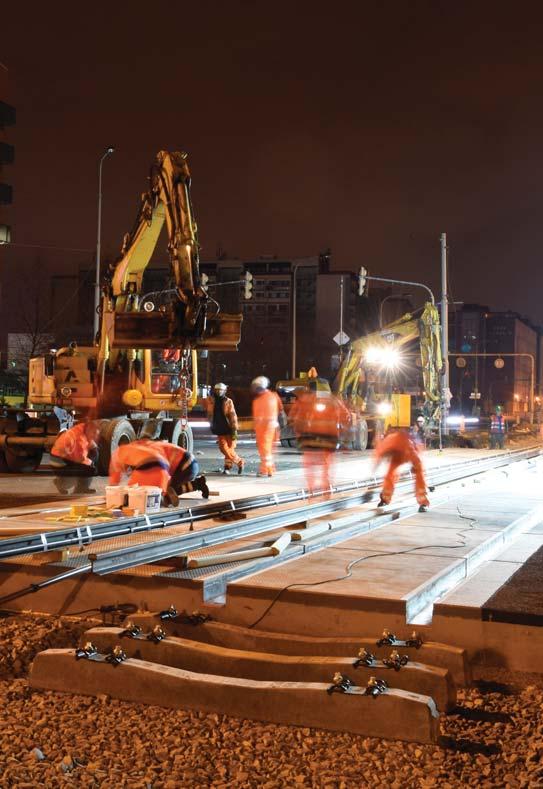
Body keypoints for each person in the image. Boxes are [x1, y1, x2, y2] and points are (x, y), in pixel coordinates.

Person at [109, 437, 209, 506]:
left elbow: (161, 465)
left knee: (165, 493)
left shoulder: (133, 453)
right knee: (165, 489)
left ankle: (197, 484)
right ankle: (198, 484)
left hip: (186, 466)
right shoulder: (146, 447)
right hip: (189, 464)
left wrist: (162, 489)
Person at [290, 389, 350, 494]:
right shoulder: (334, 400)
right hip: (329, 437)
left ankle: (311, 488)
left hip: (310, 437)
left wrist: (299, 433)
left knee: (309, 463)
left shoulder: (305, 400)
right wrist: (342, 430)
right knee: (326, 463)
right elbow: (346, 416)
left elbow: (294, 417)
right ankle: (326, 487)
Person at [373, 428, 429, 512]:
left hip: (409, 451)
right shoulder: (385, 446)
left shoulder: (407, 447)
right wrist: (374, 468)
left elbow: (417, 461)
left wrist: (415, 466)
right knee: (389, 474)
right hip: (397, 453)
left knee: (419, 474)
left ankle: (423, 502)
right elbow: (378, 458)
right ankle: (385, 498)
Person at [50, 420, 100, 495]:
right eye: (94, 433)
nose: (95, 436)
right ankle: (63, 484)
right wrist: (91, 462)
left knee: (94, 453)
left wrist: (93, 445)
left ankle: (80, 486)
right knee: (90, 469)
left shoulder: (82, 428)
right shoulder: (79, 439)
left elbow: (92, 446)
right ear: (89, 429)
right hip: (59, 461)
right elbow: (81, 460)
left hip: (61, 458)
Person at [207, 382, 244, 475]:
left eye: (221, 390)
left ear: (224, 391)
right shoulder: (211, 400)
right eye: (217, 390)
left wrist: (234, 429)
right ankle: (240, 462)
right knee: (224, 448)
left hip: (229, 429)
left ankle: (227, 467)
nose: (219, 392)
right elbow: (209, 414)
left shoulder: (228, 401)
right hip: (219, 428)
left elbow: (232, 415)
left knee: (229, 449)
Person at [251, 376, 285, 477]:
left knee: (265, 450)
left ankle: (265, 470)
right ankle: (270, 470)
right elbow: (280, 410)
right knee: (268, 451)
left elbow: (262, 416)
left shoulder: (261, 399)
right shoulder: (273, 396)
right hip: (270, 428)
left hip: (265, 429)